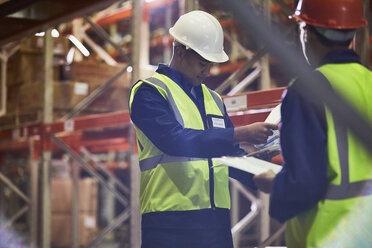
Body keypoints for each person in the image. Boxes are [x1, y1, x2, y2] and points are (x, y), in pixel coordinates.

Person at [129, 10, 277, 248]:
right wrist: (243, 132)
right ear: (179, 52)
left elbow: (228, 156)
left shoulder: (214, 100)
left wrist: (261, 168)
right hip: (169, 223)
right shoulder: (150, 92)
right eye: (202, 63)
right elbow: (175, 140)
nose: (207, 71)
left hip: (215, 223)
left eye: (210, 64)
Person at [253, 0, 372, 247]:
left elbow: (304, 183)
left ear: (306, 31)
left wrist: (275, 185)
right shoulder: (369, 82)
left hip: (328, 235)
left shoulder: (308, 90)